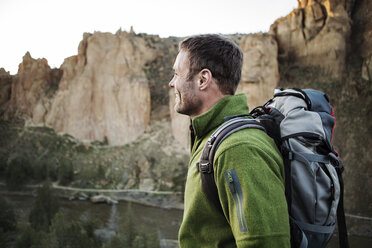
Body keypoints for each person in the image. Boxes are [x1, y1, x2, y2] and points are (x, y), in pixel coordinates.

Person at [168, 34, 290, 247]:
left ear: (203, 80)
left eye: (177, 73)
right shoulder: (212, 136)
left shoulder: (239, 149)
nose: (171, 83)